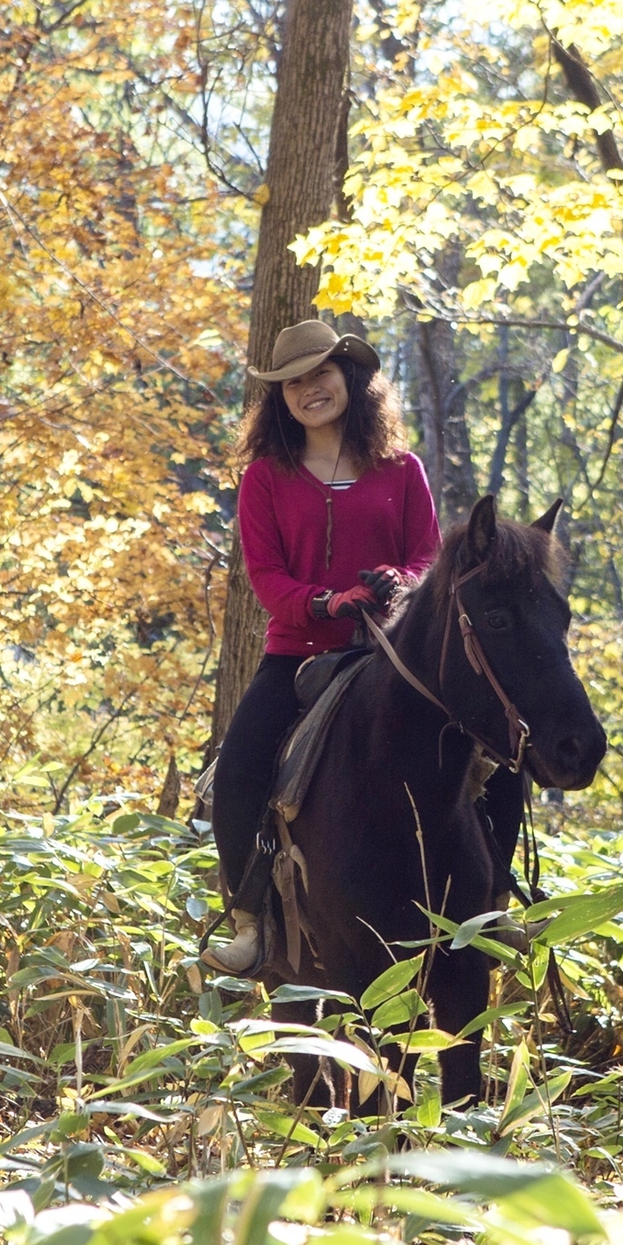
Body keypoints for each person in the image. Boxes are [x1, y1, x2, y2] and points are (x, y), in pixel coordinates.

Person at [202, 319, 440, 975]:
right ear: (279, 398)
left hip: (393, 655)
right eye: (293, 382)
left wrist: (400, 582)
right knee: (238, 771)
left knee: (490, 754)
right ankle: (251, 920)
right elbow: (266, 577)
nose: (310, 389)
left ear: (350, 380)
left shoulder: (401, 468)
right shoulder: (265, 480)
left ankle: (497, 898)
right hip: (299, 655)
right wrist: (324, 602)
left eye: (321, 374)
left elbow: (427, 553)